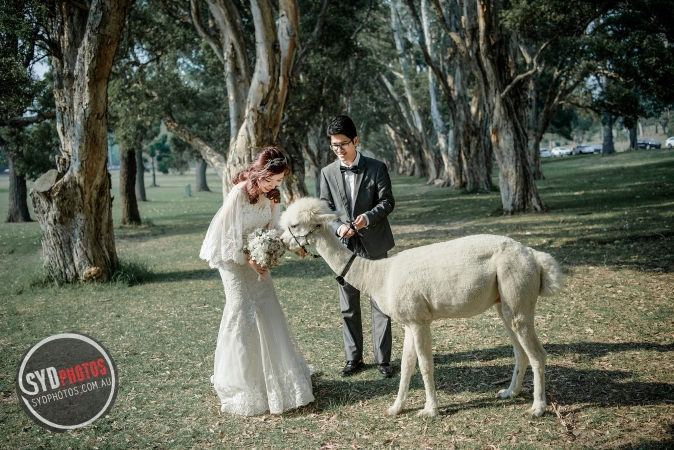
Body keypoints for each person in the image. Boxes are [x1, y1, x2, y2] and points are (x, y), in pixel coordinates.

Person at [199, 147, 314, 416]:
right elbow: (224, 236)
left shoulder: (272, 197)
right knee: (241, 308)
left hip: (257, 255)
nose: (274, 186)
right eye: (269, 180)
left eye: (278, 182)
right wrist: (249, 259)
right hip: (231, 258)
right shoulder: (238, 194)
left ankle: (272, 378)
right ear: (258, 173)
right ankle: (240, 382)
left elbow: (272, 230)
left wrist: (290, 245)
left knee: (266, 306)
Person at [319, 115, 396, 378]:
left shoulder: (377, 167)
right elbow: (325, 208)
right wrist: (337, 226)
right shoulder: (327, 173)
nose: (339, 150)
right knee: (348, 304)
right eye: (334, 146)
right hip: (344, 248)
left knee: (381, 303)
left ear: (355, 141)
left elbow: (387, 202)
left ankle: (383, 360)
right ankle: (353, 359)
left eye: (343, 144)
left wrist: (368, 218)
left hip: (374, 243)